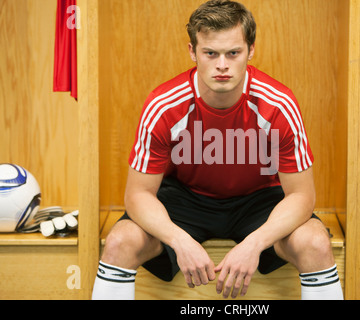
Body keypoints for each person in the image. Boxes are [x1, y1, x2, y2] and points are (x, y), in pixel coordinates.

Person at [92, 0, 343, 300]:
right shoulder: (164, 106)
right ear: (192, 52)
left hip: (258, 201)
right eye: (210, 53)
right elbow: (138, 194)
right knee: (120, 242)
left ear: (250, 51)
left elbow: (302, 196)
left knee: (316, 243)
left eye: (233, 53)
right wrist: (179, 240)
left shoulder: (278, 105)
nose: (222, 65)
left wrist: (254, 243)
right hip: (185, 199)